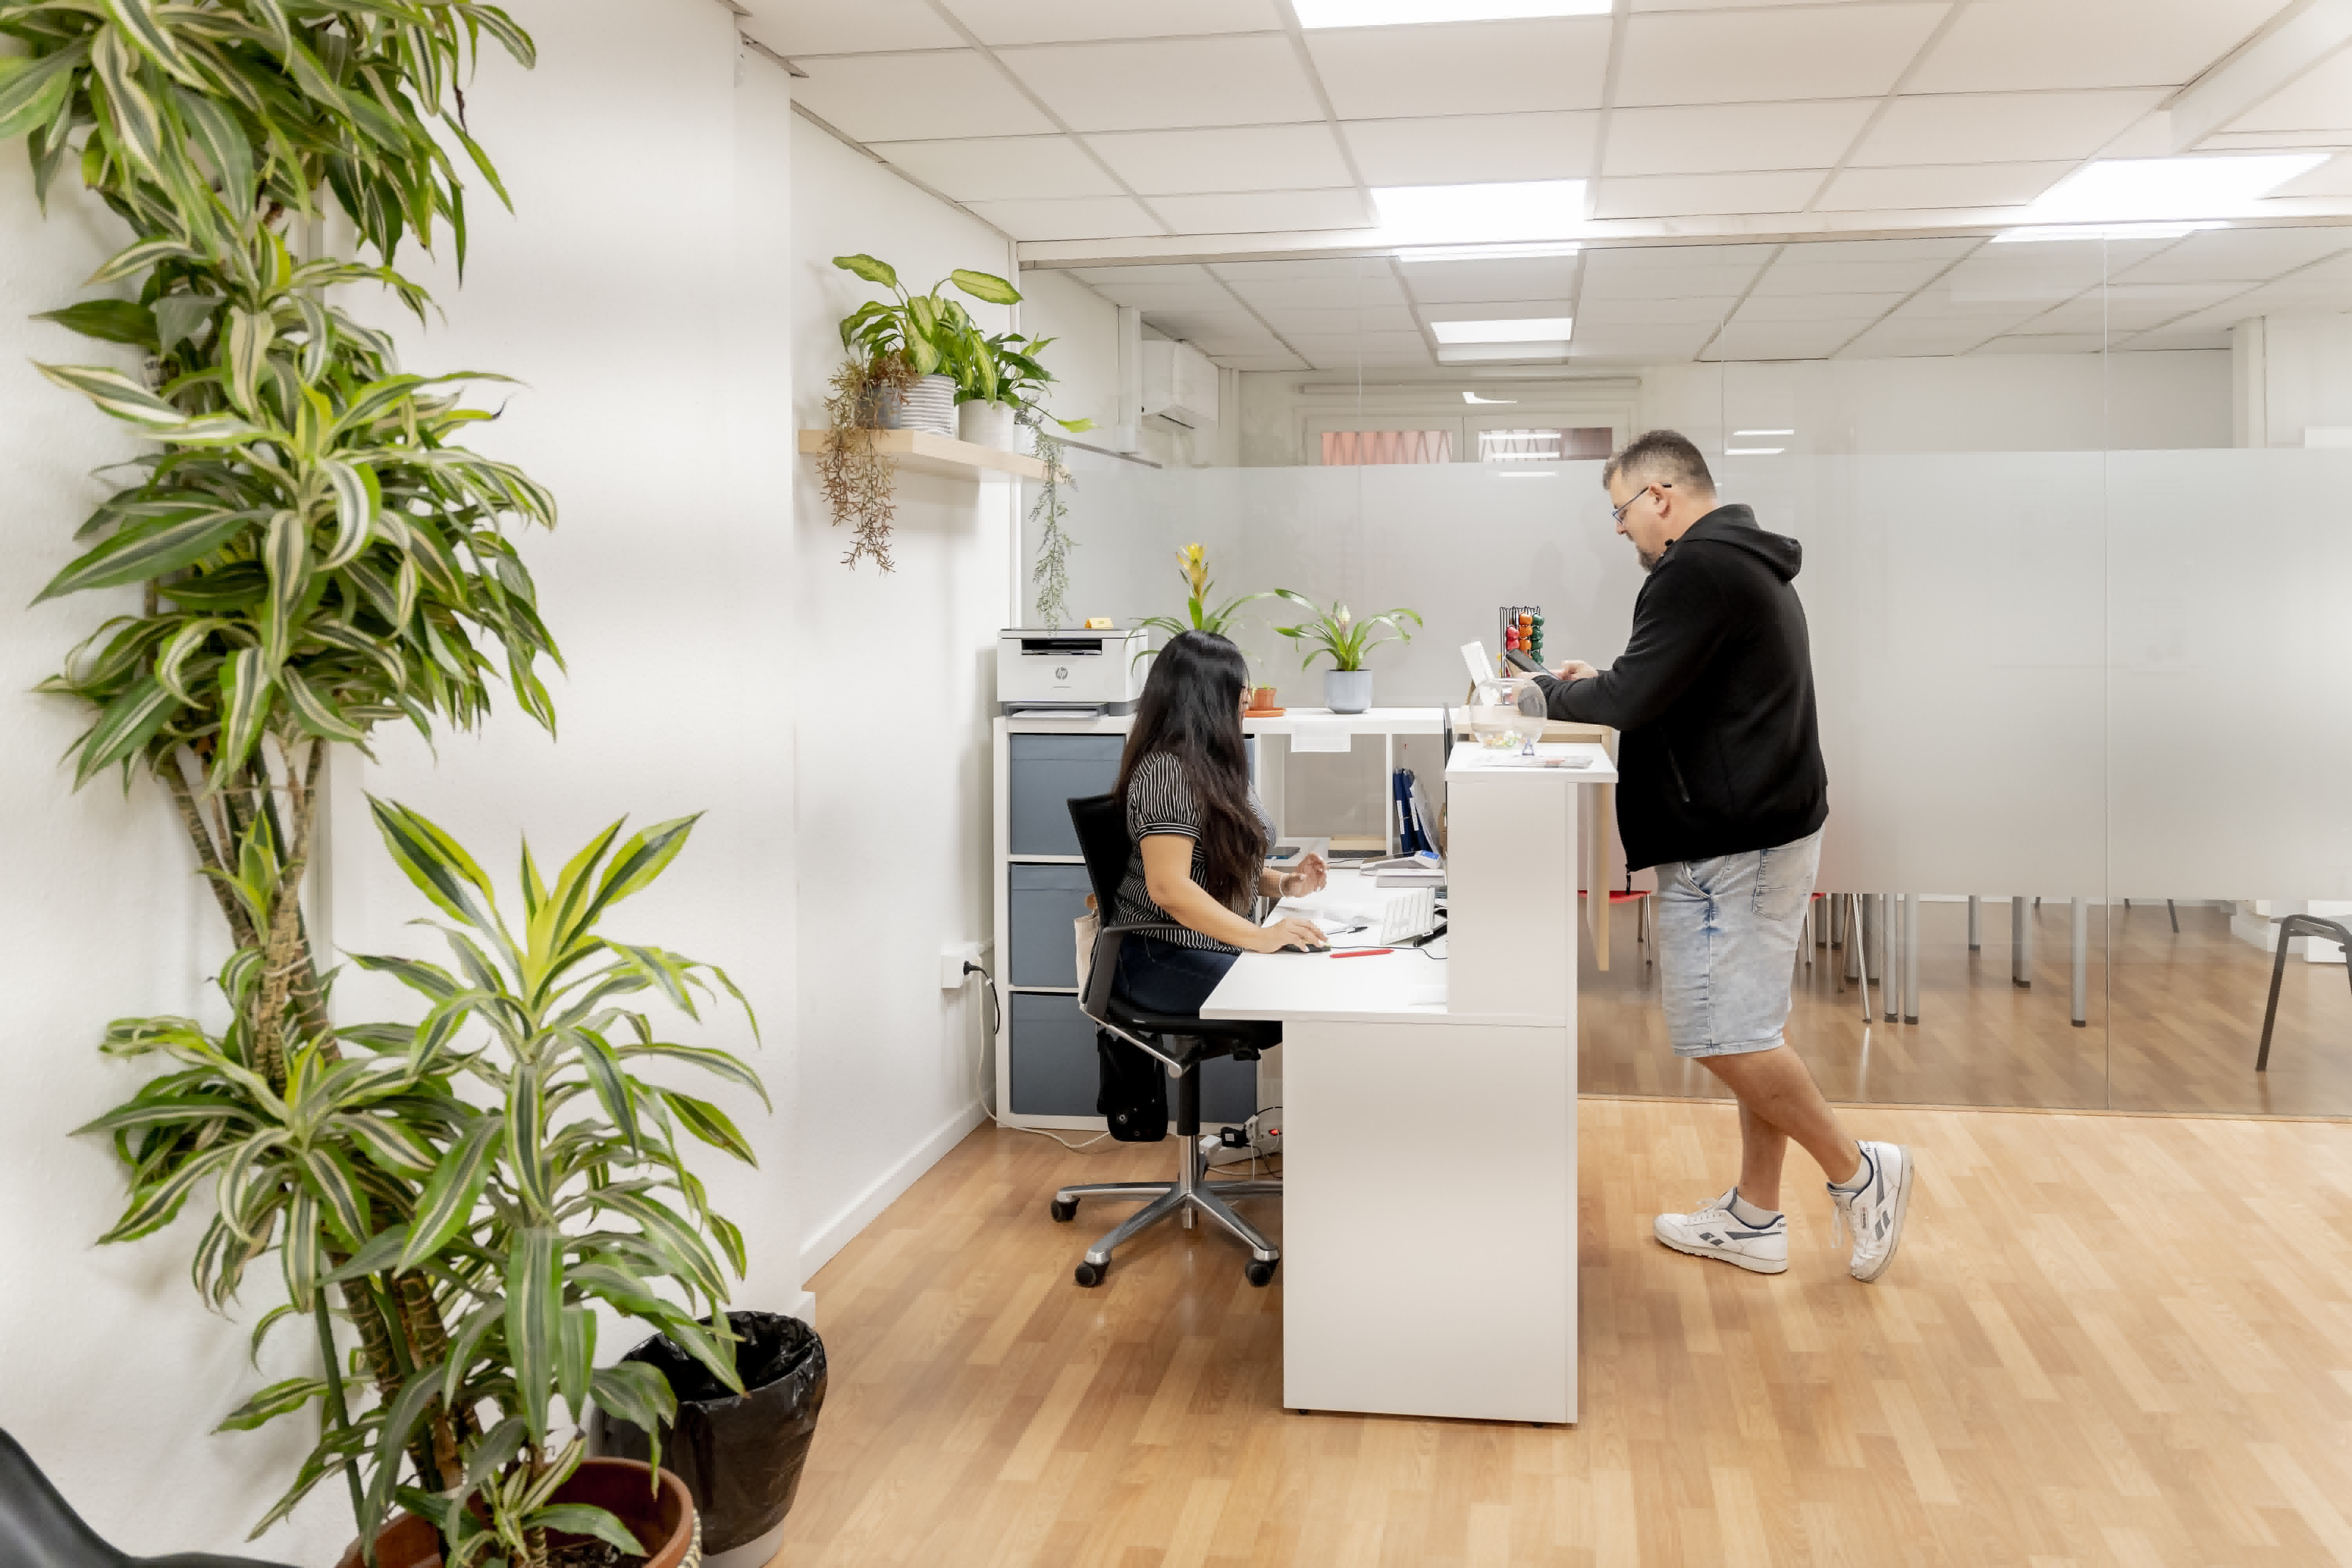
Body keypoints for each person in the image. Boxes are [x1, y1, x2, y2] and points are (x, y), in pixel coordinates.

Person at [1537, 430, 1914, 1282]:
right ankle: (1754, 1214)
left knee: (1719, 1032)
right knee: (1752, 1026)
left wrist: (1545, 695)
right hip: (1770, 827)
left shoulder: (1695, 570)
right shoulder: (1741, 563)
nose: (1622, 531)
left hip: (1733, 845)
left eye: (1622, 511)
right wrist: (1599, 677)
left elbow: (1632, 699)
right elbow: (1668, 683)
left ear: (1662, 495)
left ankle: (1859, 1171)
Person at [1111, 629, 1329, 1018]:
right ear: (1205, 699)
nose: (1247, 698)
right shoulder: (1167, 771)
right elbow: (1169, 888)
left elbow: (1217, 862)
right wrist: (1261, 938)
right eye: (1237, 691)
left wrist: (1285, 883)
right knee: (1299, 997)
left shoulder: (1216, 767)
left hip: (1208, 942)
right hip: (1159, 953)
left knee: (1313, 978)